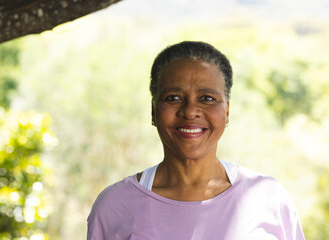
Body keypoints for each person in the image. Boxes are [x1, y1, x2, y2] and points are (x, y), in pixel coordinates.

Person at [86, 41, 305, 240]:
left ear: (227, 111)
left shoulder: (268, 198)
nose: (190, 111)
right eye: (173, 98)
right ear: (153, 111)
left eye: (207, 98)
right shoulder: (115, 205)